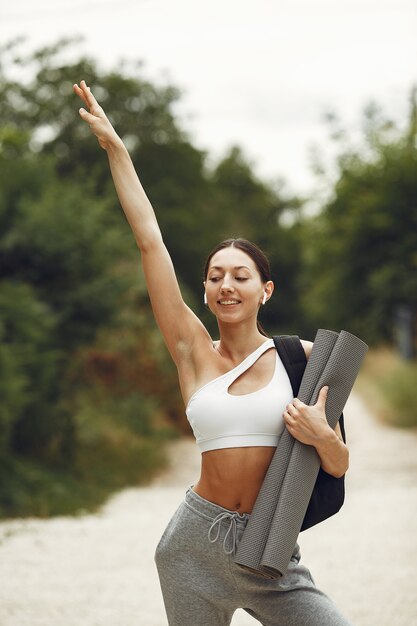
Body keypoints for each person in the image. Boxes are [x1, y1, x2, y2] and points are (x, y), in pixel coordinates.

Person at [73, 80, 353, 626]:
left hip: (270, 553)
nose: (226, 285)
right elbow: (150, 240)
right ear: (204, 291)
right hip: (194, 547)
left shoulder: (305, 357)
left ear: (264, 290)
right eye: (214, 277)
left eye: (240, 276)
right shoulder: (191, 352)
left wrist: (322, 435)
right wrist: (118, 151)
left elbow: (339, 466)